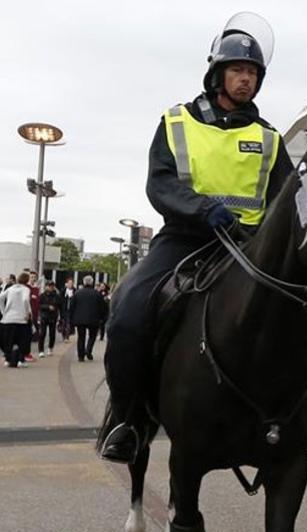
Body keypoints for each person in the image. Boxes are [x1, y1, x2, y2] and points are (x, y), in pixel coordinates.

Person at [99, 14, 294, 464]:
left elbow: (286, 197)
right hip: (186, 239)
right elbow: (161, 185)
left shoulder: (268, 137)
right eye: (237, 71)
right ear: (217, 75)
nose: (245, 79)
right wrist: (205, 210)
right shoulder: (175, 123)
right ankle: (128, 420)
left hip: (250, 245)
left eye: (252, 74)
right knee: (129, 311)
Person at [70, 276, 106, 362]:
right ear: (92, 283)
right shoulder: (97, 294)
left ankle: (80, 356)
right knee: (92, 336)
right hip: (94, 319)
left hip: (80, 319)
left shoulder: (77, 293)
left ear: (83, 282)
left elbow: (72, 307)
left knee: (81, 337)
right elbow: (103, 307)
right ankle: (88, 351)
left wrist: (71, 318)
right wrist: (102, 318)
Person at [1, 273, 32, 368]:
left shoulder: (10, 288)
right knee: (22, 341)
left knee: (8, 340)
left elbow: (1, 297)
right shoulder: (26, 289)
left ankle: (7, 359)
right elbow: (25, 300)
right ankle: (20, 360)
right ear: (26, 281)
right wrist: (27, 312)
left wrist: (3, 311)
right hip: (21, 319)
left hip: (8, 318)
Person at [37, 281, 62, 357]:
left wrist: (60, 316)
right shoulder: (42, 295)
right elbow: (39, 305)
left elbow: (60, 305)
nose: (51, 287)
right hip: (44, 316)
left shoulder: (57, 296)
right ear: (46, 286)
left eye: (52, 286)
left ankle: (50, 348)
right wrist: (48, 307)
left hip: (53, 317)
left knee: (52, 334)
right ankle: (41, 350)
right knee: (42, 334)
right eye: (49, 286)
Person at [60, 277, 75, 343]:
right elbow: (60, 298)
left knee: (69, 323)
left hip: (71, 310)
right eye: (69, 283)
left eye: (71, 283)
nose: (70, 284)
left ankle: (67, 336)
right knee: (63, 323)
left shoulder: (74, 291)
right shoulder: (64, 290)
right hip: (64, 309)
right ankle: (63, 335)